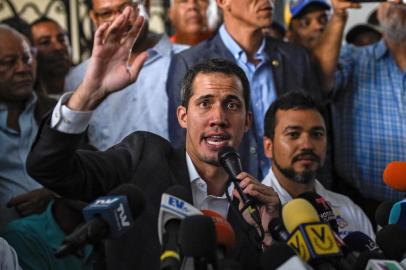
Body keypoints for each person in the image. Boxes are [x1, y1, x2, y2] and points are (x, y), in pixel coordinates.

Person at [26, 7, 281, 270]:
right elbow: (48, 168)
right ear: (182, 116)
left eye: (231, 105)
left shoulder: (255, 205)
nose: (218, 117)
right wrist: (89, 93)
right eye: (205, 103)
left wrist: (269, 239)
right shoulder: (143, 158)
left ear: (248, 121)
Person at [167, 0, 324, 179]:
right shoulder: (190, 63)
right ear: (223, 2)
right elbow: (183, 146)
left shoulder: (295, 58)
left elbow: (318, 130)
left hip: (293, 197)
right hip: (224, 199)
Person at [312, 0, 406, 218]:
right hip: (363, 209)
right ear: (378, 8)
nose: (397, 3)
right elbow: (320, 78)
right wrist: (338, 14)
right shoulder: (354, 57)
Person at [65, 0, 187, 150]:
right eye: (106, 13)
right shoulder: (79, 79)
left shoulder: (190, 60)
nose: (120, 19)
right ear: (94, 17)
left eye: (127, 8)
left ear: (146, 5)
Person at [262, 91, 375, 239]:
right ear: (268, 147)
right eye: (293, 134)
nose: (307, 145)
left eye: (317, 134)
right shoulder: (252, 213)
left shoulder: (348, 209)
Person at [0, 24, 57, 226]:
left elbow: (86, 172)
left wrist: (50, 194)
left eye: (27, 59)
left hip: (66, 236)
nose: (23, 69)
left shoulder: (56, 111)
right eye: (9, 62)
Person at [30, 17, 72, 99]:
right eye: (45, 42)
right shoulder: (29, 99)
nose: (58, 47)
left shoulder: (87, 80)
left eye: (62, 39)